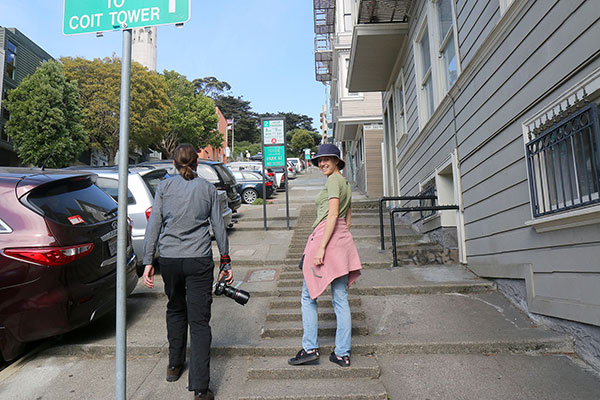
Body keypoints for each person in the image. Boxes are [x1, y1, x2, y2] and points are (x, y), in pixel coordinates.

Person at [142, 143, 232, 400]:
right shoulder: (207, 189)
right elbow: (219, 227)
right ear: (196, 163)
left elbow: (154, 224)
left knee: (175, 308)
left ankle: (174, 365)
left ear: (174, 163)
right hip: (198, 261)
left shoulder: (164, 187)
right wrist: (225, 260)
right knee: (200, 321)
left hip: (170, 260)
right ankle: (201, 389)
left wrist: (148, 260)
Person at [288, 143, 362, 368]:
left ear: (337, 161)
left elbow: (332, 215)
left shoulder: (333, 181)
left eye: (326, 159)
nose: (322, 163)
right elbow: (347, 221)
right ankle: (342, 353)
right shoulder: (346, 183)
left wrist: (321, 247)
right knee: (340, 298)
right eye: (319, 160)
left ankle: (310, 348)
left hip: (325, 238)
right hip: (340, 241)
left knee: (308, 296)